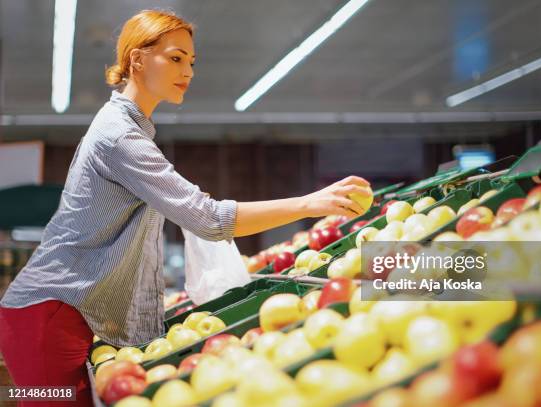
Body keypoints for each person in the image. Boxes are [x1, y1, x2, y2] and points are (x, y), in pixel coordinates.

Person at [0, 9, 370, 406]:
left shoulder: (128, 128)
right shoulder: (120, 136)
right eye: (176, 58)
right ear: (137, 60)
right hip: (47, 317)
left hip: (55, 314)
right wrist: (307, 204)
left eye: (191, 61)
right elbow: (208, 218)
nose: (188, 71)